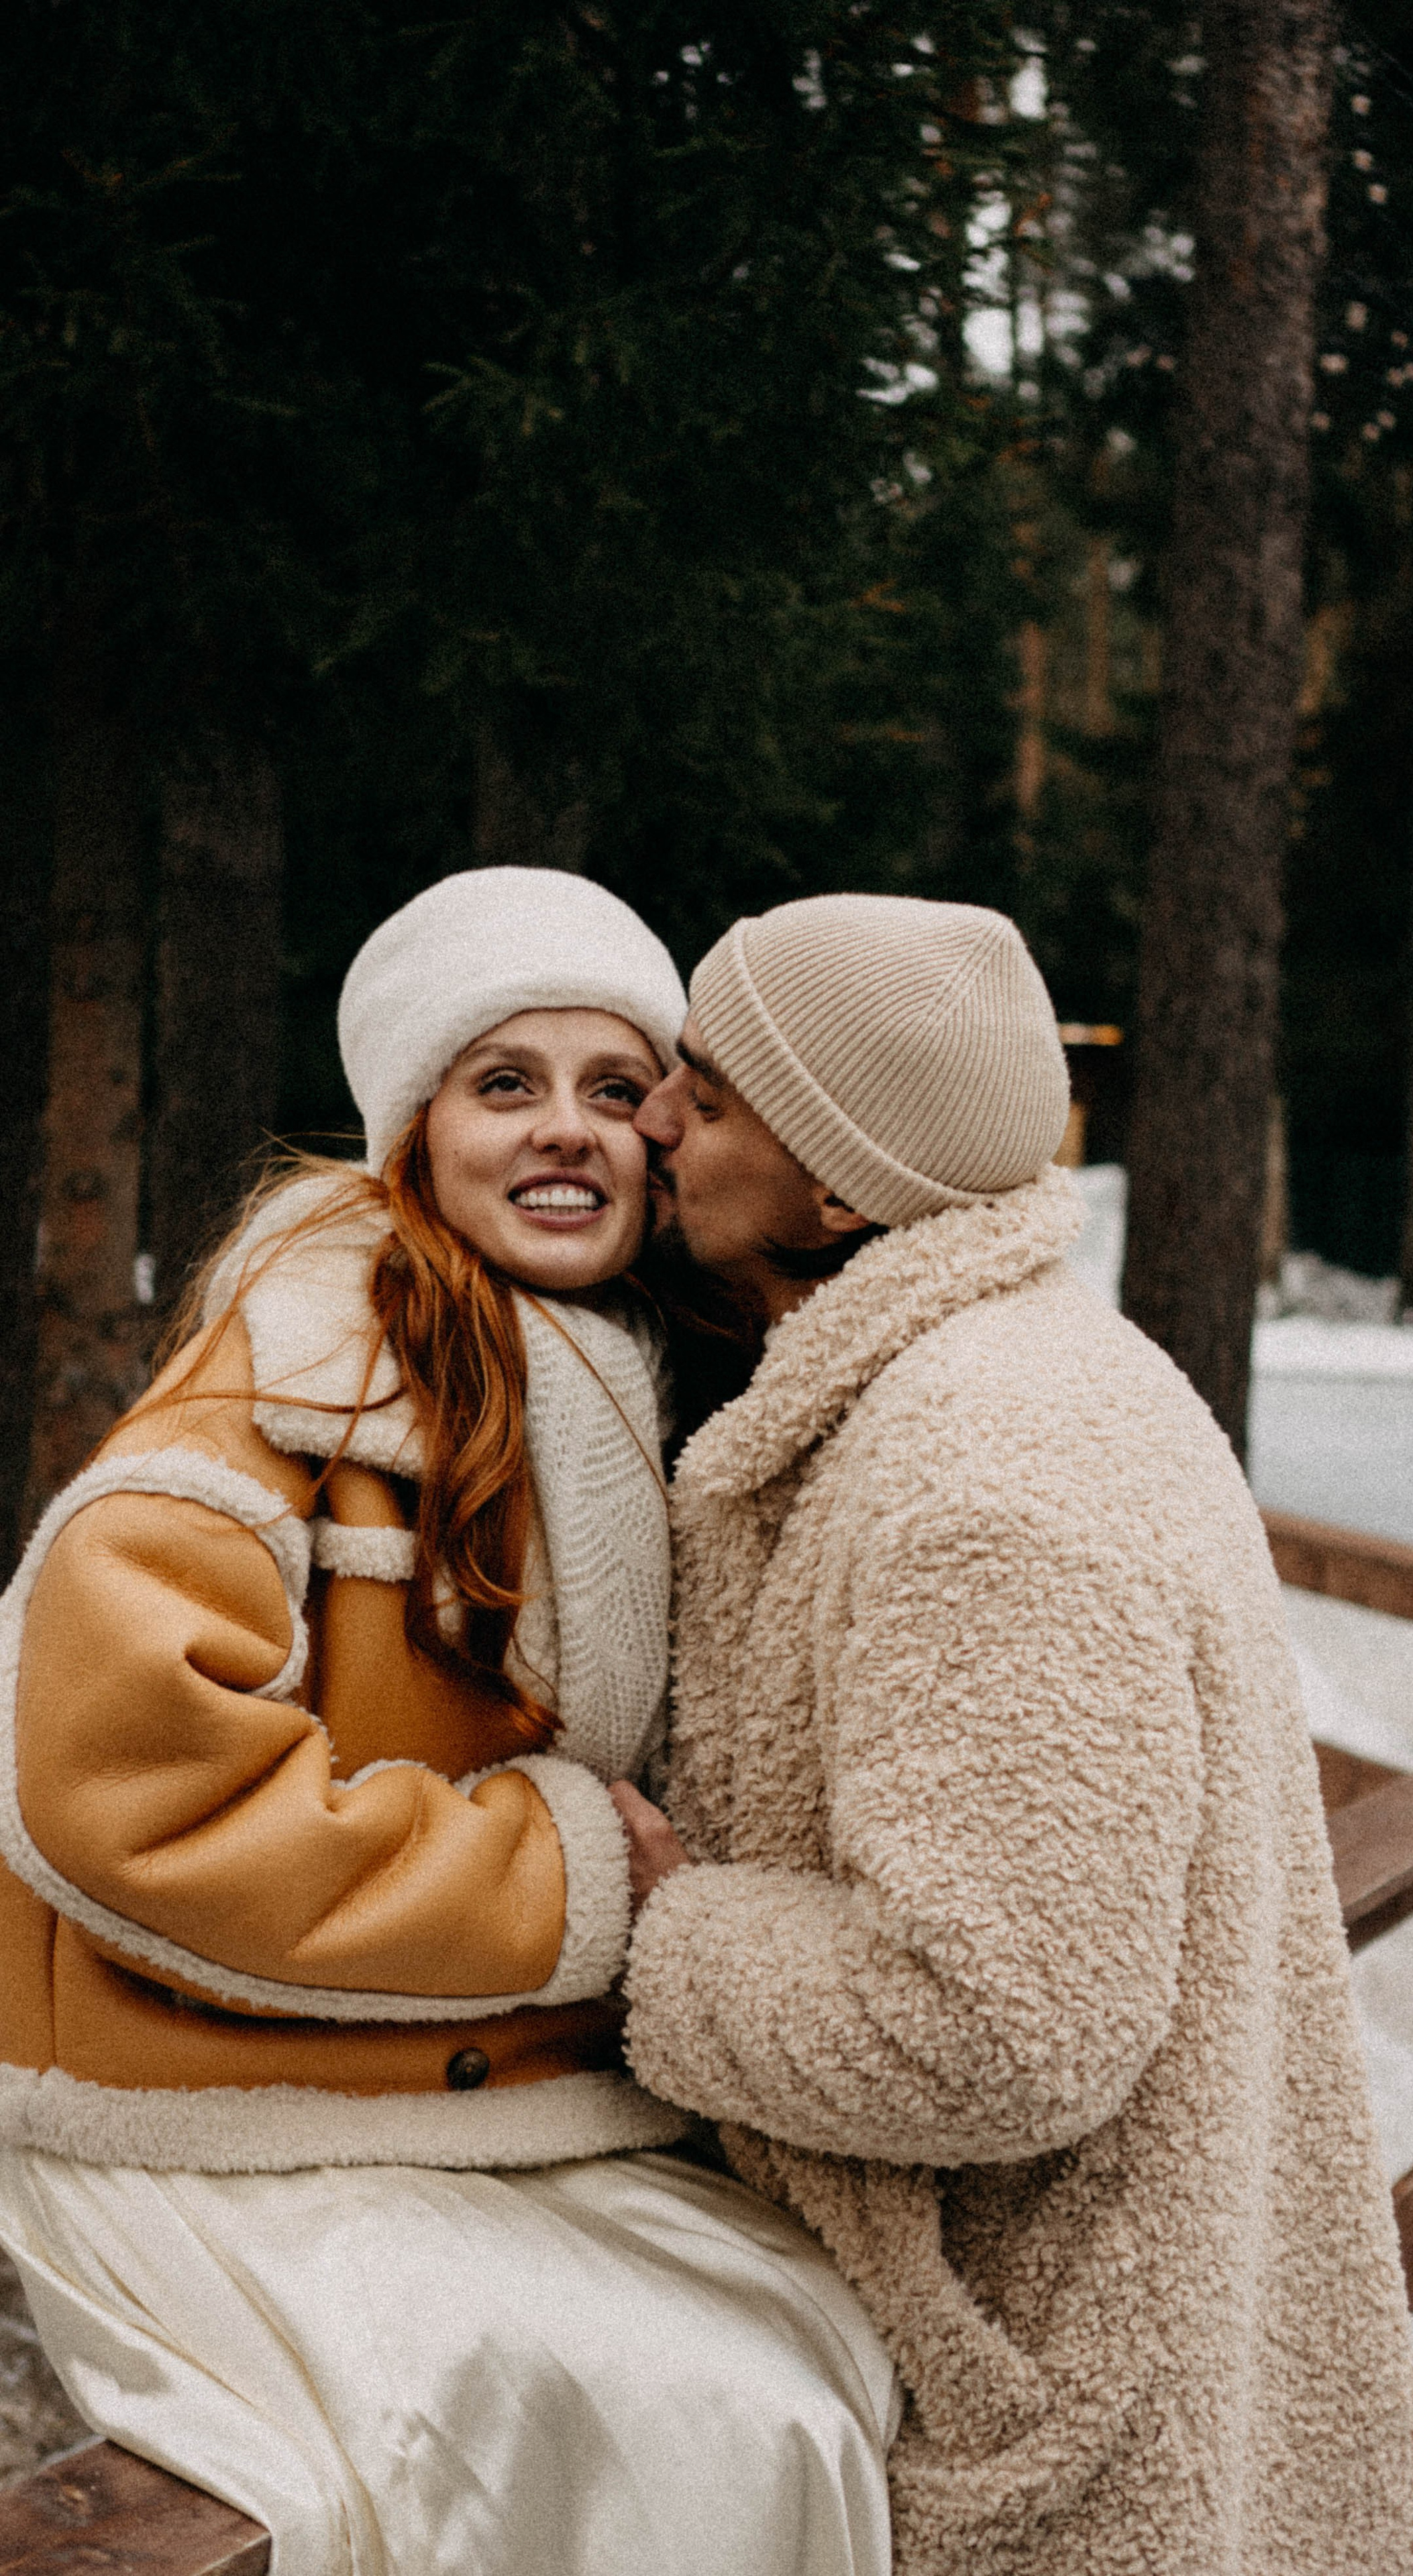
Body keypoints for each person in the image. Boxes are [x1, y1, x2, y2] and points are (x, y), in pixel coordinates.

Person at [0, 868, 897, 2576]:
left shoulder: (622, 1370)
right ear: (412, 1134)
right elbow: (118, 1791)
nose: (565, 1131)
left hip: (466, 2089)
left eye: (615, 1088)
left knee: (828, 2356)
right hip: (220, 2114)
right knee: (696, 2413)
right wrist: (564, 1877)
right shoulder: (293, 1385)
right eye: (504, 1085)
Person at [614, 892, 1413, 2576]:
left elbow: (998, 2027)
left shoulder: (983, 1469)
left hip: (1058, 2419)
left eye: (705, 1092)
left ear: (839, 1182)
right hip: (1086, 2349)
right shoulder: (998, 1376)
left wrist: (659, 1925)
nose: (651, 1122)